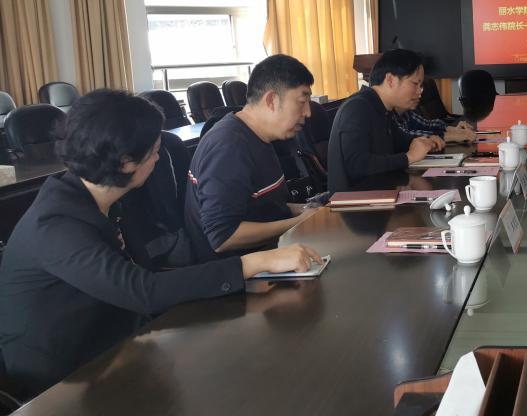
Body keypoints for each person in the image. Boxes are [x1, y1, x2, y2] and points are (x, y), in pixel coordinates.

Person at [0, 90, 321, 397]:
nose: (158, 157)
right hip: (60, 376)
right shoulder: (56, 225)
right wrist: (255, 263)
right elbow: (142, 290)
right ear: (126, 162)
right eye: (154, 150)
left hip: (111, 342)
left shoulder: (103, 196)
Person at [185, 54, 317, 260]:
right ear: (271, 100)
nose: (308, 112)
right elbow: (223, 236)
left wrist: (308, 210)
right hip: (236, 271)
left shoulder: (260, 137)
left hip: (270, 255)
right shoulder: (228, 145)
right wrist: (299, 222)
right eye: (302, 101)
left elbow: (263, 208)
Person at [327, 49, 442, 191]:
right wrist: (409, 157)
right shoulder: (357, 108)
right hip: (356, 200)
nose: (420, 92)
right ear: (390, 80)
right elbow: (356, 165)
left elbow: (399, 141)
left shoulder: (382, 108)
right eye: (415, 83)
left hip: (380, 191)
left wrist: (426, 141)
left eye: (421, 86)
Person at [394, 107, 476, 144]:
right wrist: (452, 135)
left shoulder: (405, 111)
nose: (420, 91)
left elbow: (427, 124)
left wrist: (453, 130)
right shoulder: (388, 114)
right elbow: (406, 137)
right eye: (415, 83)